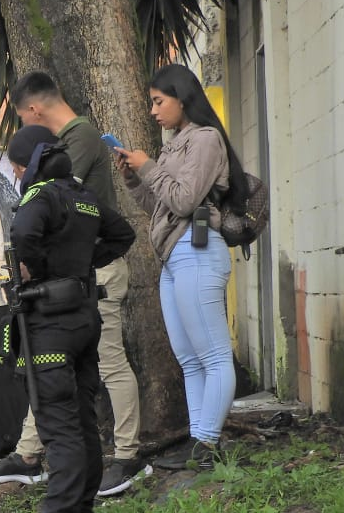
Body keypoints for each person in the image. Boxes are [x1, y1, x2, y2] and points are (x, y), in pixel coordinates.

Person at [0, 71, 147, 496]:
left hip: (91, 277)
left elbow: (61, 202)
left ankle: (127, 455)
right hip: (69, 280)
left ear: (33, 109)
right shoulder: (69, 141)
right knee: (47, 363)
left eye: (22, 118)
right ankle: (29, 455)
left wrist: (65, 261)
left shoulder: (79, 138)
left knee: (109, 364)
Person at [2, 127, 136, 513]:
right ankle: (80, 510)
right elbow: (123, 234)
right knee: (81, 419)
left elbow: (23, 235)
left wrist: (43, 269)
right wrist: (80, 265)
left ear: (27, 164)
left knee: (58, 424)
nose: (17, 174)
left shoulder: (40, 195)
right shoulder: (83, 195)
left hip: (51, 325)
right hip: (83, 320)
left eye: (17, 167)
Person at [114, 64, 247, 471]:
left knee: (214, 355)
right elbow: (162, 208)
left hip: (198, 251)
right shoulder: (175, 145)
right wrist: (135, 179)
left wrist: (148, 167)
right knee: (189, 358)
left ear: (182, 98)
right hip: (174, 255)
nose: (153, 111)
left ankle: (207, 443)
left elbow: (186, 200)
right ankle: (199, 442)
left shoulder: (205, 139)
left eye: (159, 101)